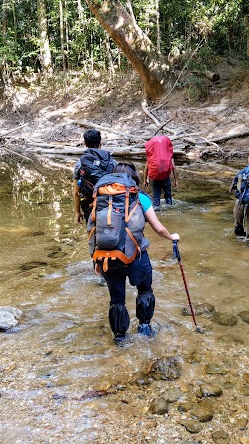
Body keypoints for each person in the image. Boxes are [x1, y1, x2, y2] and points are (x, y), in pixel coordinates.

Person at [92, 162, 179, 344]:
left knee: (116, 300)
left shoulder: (101, 199)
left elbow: (93, 231)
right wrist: (172, 237)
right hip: (137, 256)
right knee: (145, 290)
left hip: (108, 258)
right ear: (134, 178)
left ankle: (120, 339)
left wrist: (96, 261)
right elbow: (158, 228)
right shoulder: (140, 197)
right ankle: (145, 329)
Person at [72, 129, 117, 224]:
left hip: (89, 205)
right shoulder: (112, 162)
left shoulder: (79, 164)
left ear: (85, 143)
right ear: (100, 142)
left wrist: (77, 212)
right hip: (109, 204)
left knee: (92, 232)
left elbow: (76, 192)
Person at [143, 135, 178, 211]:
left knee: (155, 201)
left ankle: (157, 215)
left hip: (154, 179)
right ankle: (170, 211)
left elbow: (146, 168)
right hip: (165, 178)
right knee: (168, 198)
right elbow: (174, 167)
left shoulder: (151, 155)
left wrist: (145, 180)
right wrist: (176, 181)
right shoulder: (168, 155)